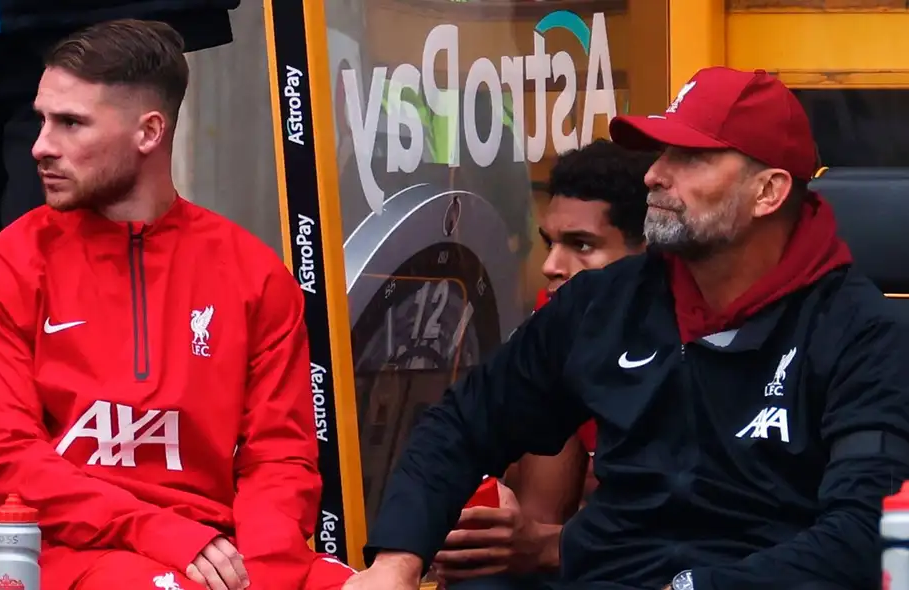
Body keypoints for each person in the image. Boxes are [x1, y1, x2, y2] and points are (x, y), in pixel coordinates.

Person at [343, 66, 909, 590]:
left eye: (689, 157)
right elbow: (464, 423)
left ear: (769, 192)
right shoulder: (607, 302)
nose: (656, 174)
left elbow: (866, 533)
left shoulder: (861, 332)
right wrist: (395, 561)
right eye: (662, 152)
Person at [0, 19, 355, 590]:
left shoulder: (252, 272)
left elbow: (280, 461)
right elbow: (10, 461)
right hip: (72, 552)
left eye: (70, 124)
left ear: (149, 132)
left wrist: (266, 573)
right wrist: (165, 535)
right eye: (42, 120)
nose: (41, 146)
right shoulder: (1, 269)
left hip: (222, 552)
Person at [0, 2, 239, 583]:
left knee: (77, 309)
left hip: (83, 20)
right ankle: (4, 557)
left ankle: (121, 540)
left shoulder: (250, 273)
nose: (45, 146)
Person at [435, 139, 655, 589]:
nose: (552, 265)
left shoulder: (687, 335)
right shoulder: (556, 319)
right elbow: (540, 516)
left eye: (582, 245)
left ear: (648, 253)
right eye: (549, 243)